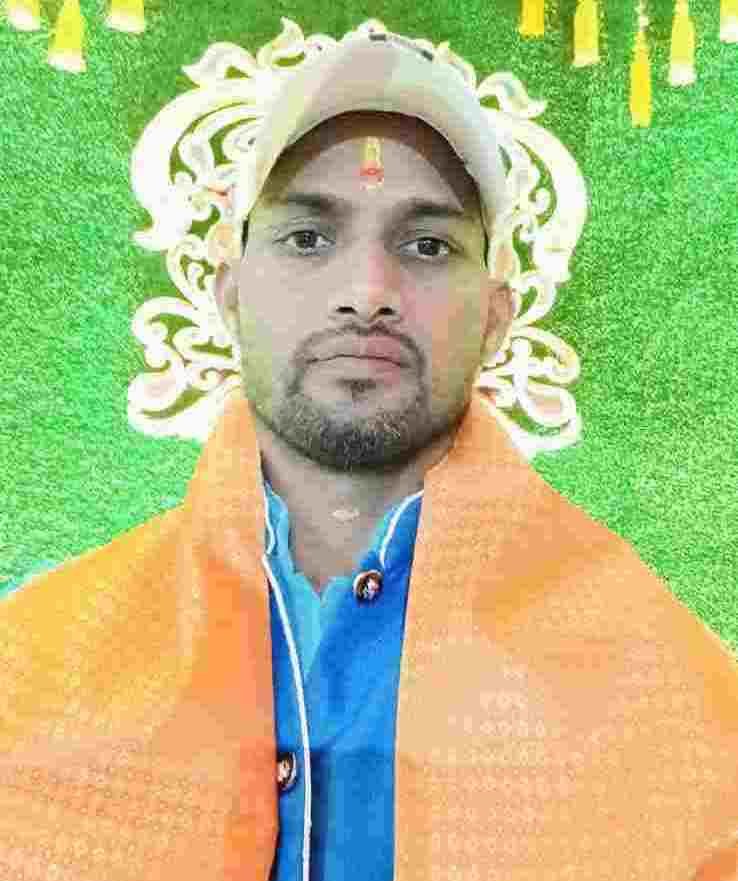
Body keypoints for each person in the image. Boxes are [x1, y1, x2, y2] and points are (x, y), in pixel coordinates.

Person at [2, 28, 737, 881]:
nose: (366, 294)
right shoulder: (39, 662)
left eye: (427, 245)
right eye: (308, 237)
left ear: (497, 317)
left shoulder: (656, 683)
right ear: (230, 296)